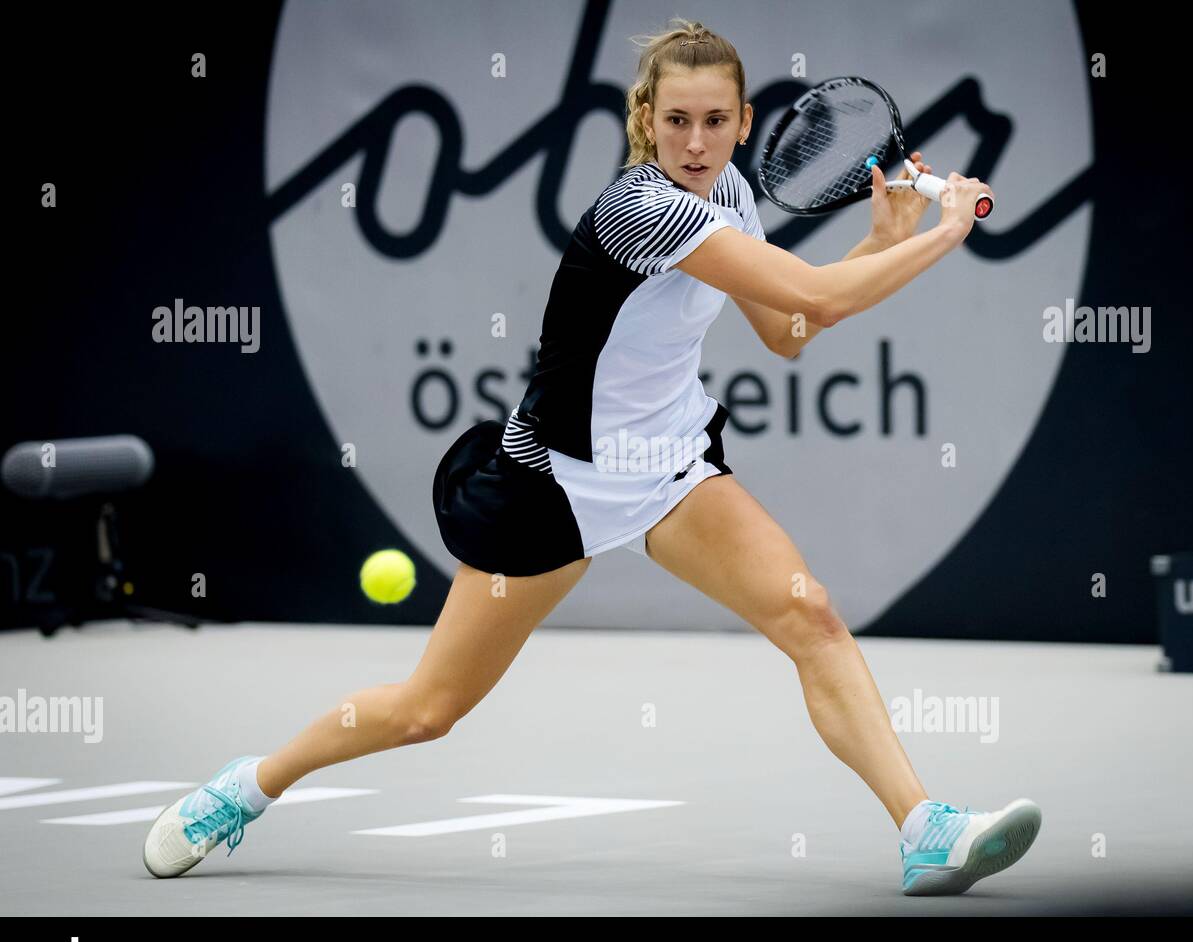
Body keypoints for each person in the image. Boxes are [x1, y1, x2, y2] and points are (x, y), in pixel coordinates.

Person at [144, 19, 1041, 897]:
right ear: (646, 117)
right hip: (554, 487)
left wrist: (881, 242)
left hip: (672, 466)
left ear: (742, 120)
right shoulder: (637, 210)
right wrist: (943, 233)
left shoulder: (730, 192)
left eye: (716, 121)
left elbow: (788, 332)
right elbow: (814, 297)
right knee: (429, 709)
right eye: (678, 120)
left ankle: (924, 830)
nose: (696, 141)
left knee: (809, 615)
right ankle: (248, 784)